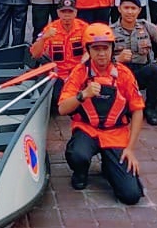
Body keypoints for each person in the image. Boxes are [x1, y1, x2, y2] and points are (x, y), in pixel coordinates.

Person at [58, 23, 145, 204]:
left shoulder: (124, 74)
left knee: (131, 196)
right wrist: (84, 94)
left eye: (105, 48)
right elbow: (62, 108)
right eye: (96, 49)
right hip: (87, 129)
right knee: (77, 155)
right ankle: (81, 172)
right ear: (88, 50)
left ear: (112, 49)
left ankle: (109, 165)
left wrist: (130, 149)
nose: (101, 54)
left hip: (116, 134)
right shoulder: (79, 72)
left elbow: (137, 110)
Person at [111, 0, 157, 126]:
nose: (129, 12)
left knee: (156, 70)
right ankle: (121, 106)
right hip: (120, 75)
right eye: (126, 8)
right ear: (119, 9)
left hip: (141, 72)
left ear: (139, 10)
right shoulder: (110, 31)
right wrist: (117, 59)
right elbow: (99, 60)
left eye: (133, 8)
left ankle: (151, 108)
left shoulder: (147, 27)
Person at [29, 0, 90, 100]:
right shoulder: (50, 29)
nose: (67, 15)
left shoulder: (84, 28)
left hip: (78, 72)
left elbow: (91, 50)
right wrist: (44, 39)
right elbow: (35, 55)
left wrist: (86, 58)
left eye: (70, 11)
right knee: (56, 98)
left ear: (75, 12)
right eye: (63, 11)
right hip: (58, 74)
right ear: (58, 13)